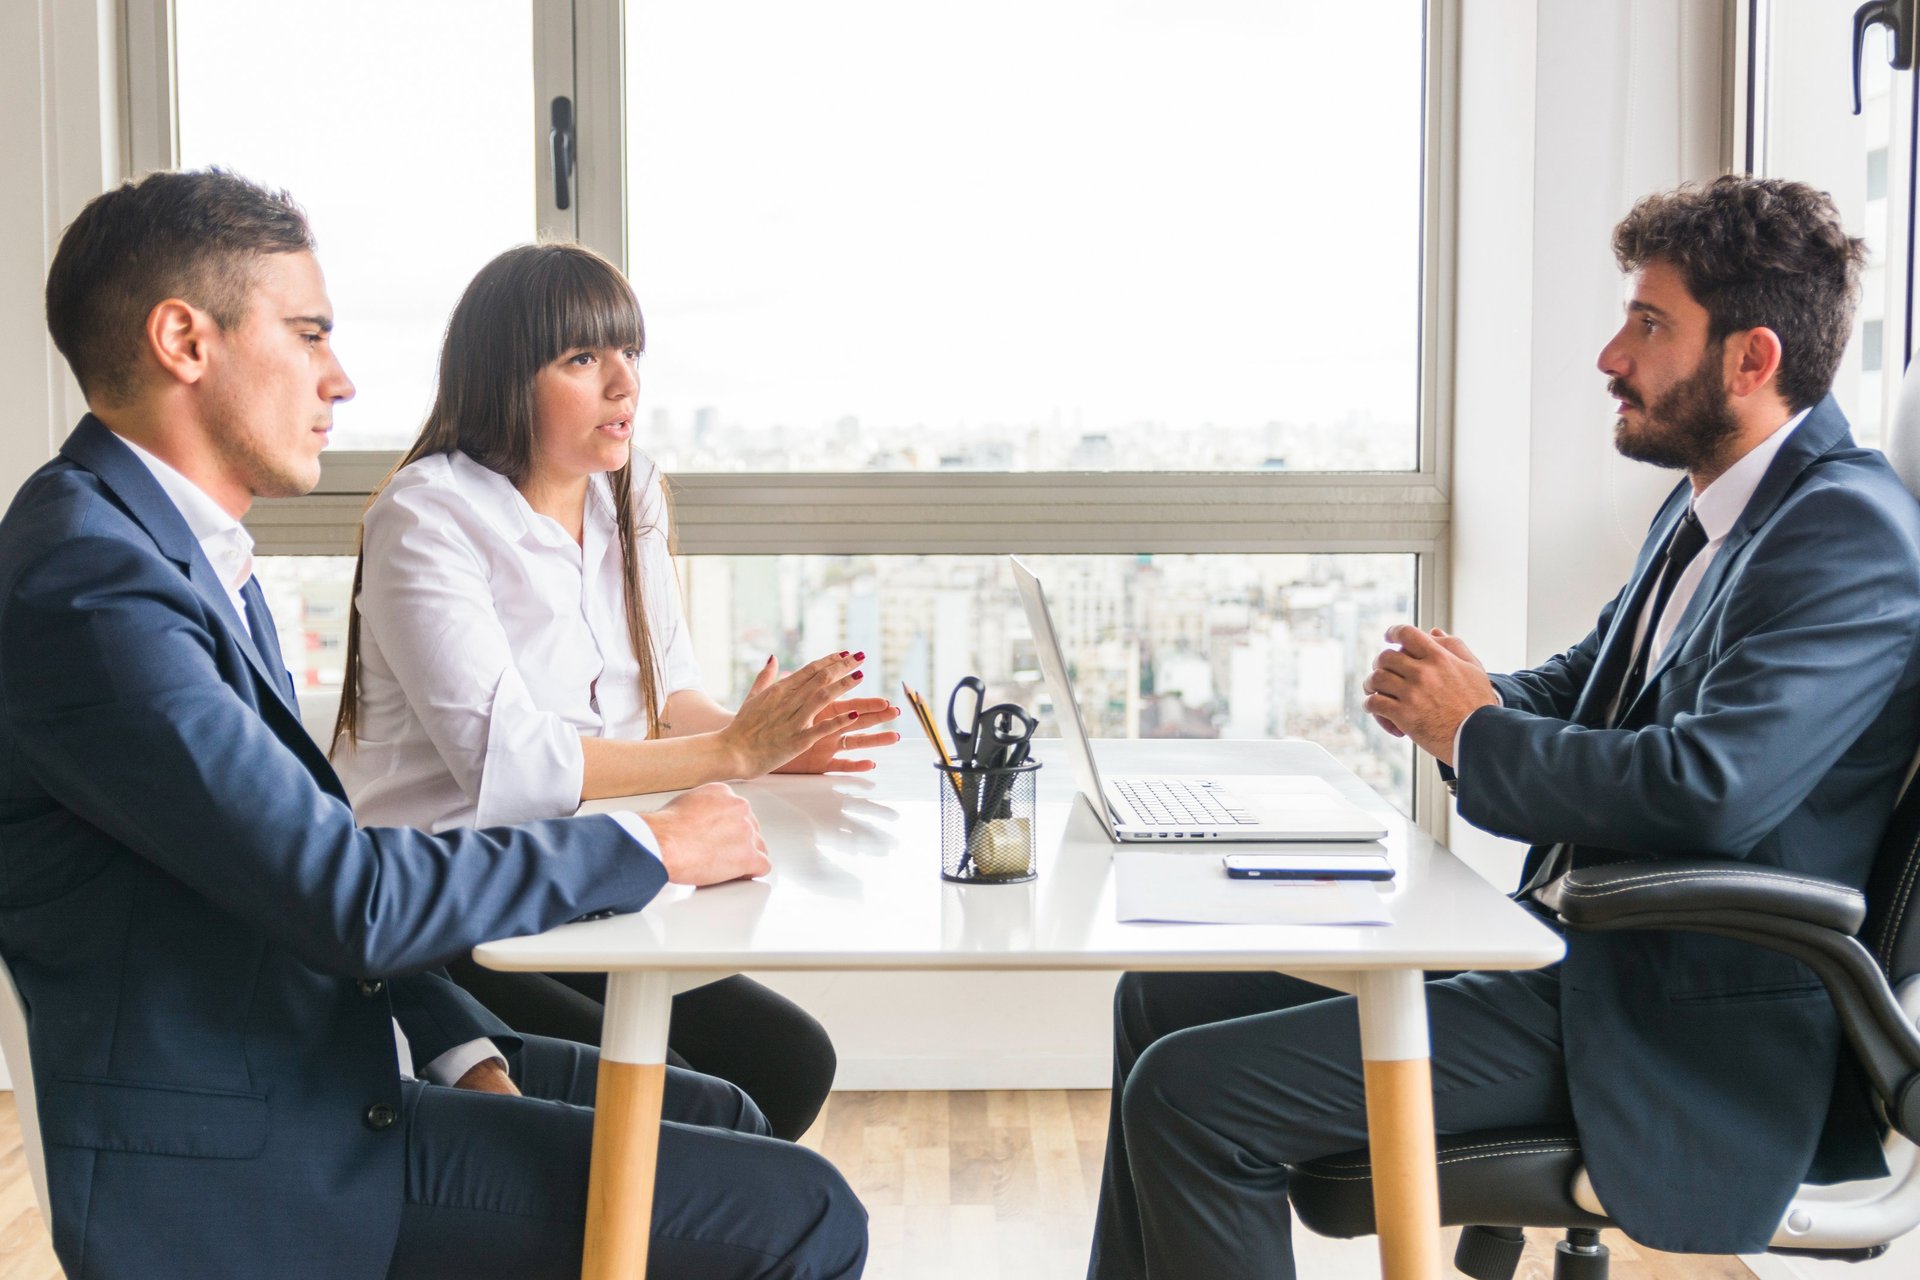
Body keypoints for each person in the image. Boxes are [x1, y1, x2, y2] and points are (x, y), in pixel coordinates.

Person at [0, 167, 867, 1279]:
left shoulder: (173, 551)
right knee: (806, 1213)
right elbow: (346, 891)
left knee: (739, 1114)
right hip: (261, 1158)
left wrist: (455, 1040)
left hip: (333, 1051)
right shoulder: (93, 589)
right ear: (184, 340)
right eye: (308, 334)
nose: (342, 378)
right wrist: (653, 844)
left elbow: (294, 863)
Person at [1089, 175, 1920, 1279]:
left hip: (1674, 1021)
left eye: (1649, 322)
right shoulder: (1715, 501)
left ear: (1751, 360)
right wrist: (1466, 694)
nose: (1611, 354)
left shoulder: (1847, 535)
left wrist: (1474, 733)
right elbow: (1600, 681)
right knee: (1162, 995)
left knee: (1195, 1099)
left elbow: (1714, 787)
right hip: (1579, 960)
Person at [330, 241, 900, 1140]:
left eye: (630, 353)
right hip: (449, 902)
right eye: (583, 359)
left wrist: (768, 742)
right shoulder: (428, 516)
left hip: (575, 880)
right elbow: (509, 762)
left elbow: (671, 696)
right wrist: (729, 752)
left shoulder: (625, 493)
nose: (623, 386)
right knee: (698, 1102)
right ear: (504, 379)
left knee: (788, 1061)